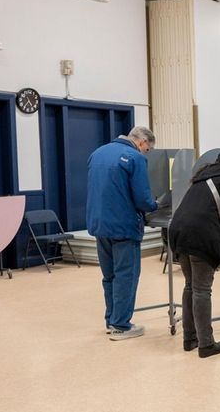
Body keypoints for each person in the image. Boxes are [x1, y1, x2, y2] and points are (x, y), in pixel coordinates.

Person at [169, 152, 220, 358]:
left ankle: (190, 339)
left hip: (177, 231)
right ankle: (206, 344)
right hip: (200, 235)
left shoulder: (199, 180)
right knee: (202, 290)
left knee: (190, 286)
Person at [87, 126, 158, 341]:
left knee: (109, 276)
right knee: (126, 275)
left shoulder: (97, 153)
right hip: (124, 226)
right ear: (142, 142)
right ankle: (121, 325)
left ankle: (111, 319)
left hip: (100, 225)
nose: (146, 153)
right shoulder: (134, 158)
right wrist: (155, 206)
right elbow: (142, 198)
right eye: (148, 150)